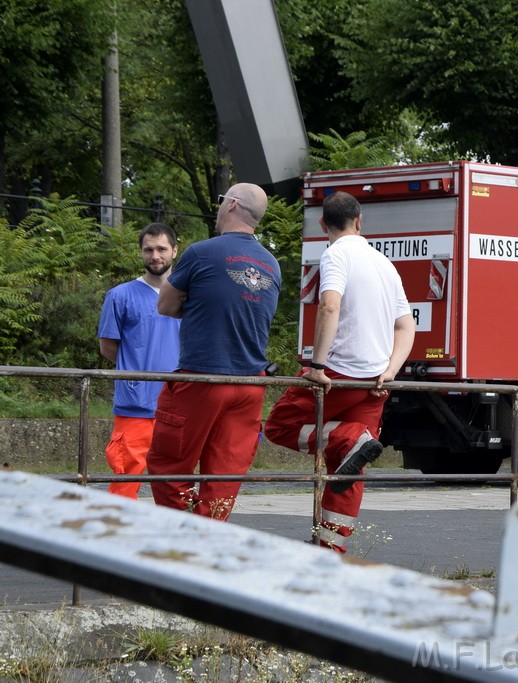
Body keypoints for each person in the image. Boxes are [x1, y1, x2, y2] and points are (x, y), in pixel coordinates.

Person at [263, 191, 414, 552]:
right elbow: (406, 326)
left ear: (323, 225)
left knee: (278, 427)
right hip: (376, 381)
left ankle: (349, 438)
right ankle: (330, 548)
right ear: (360, 221)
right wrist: (390, 370)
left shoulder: (334, 255)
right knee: (349, 467)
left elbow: (330, 306)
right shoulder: (384, 264)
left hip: (337, 374)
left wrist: (316, 365)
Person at [147, 183, 281, 520]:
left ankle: (184, 537)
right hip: (251, 383)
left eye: (223, 201)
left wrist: (193, 306)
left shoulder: (201, 252)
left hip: (203, 376)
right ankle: (208, 541)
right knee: (224, 475)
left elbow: (165, 305)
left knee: (168, 464)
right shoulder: (271, 264)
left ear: (232, 205)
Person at [97, 223, 181, 499]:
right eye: (148, 250)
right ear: (141, 253)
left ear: (174, 251)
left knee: (176, 481)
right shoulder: (120, 296)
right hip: (136, 405)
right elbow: (108, 347)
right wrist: (134, 374)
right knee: (125, 476)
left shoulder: (188, 296)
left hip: (179, 403)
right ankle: (115, 537)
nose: (155, 256)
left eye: (161, 249)